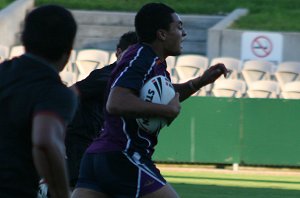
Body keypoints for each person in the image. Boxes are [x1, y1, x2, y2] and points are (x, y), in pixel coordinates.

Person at [72, 3, 227, 198]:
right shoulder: (141, 58)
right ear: (162, 34)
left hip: (99, 156)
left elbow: (166, 96)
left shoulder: (153, 62)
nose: (184, 33)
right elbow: (117, 102)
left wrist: (198, 83)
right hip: (123, 153)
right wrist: (166, 111)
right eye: (179, 27)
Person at [0, 5, 77, 198]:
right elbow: (45, 141)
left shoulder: (3, 72)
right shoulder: (54, 91)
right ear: (68, 52)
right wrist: (62, 193)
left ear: (24, 40)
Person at [65, 31, 138, 188]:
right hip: (82, 141)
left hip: (103, 144)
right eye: (130, 54)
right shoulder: (106, 77)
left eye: (137, 55)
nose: (134, 60)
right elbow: (70, 93)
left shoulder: (130, 79)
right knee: (81, 186)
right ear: (118, 52)